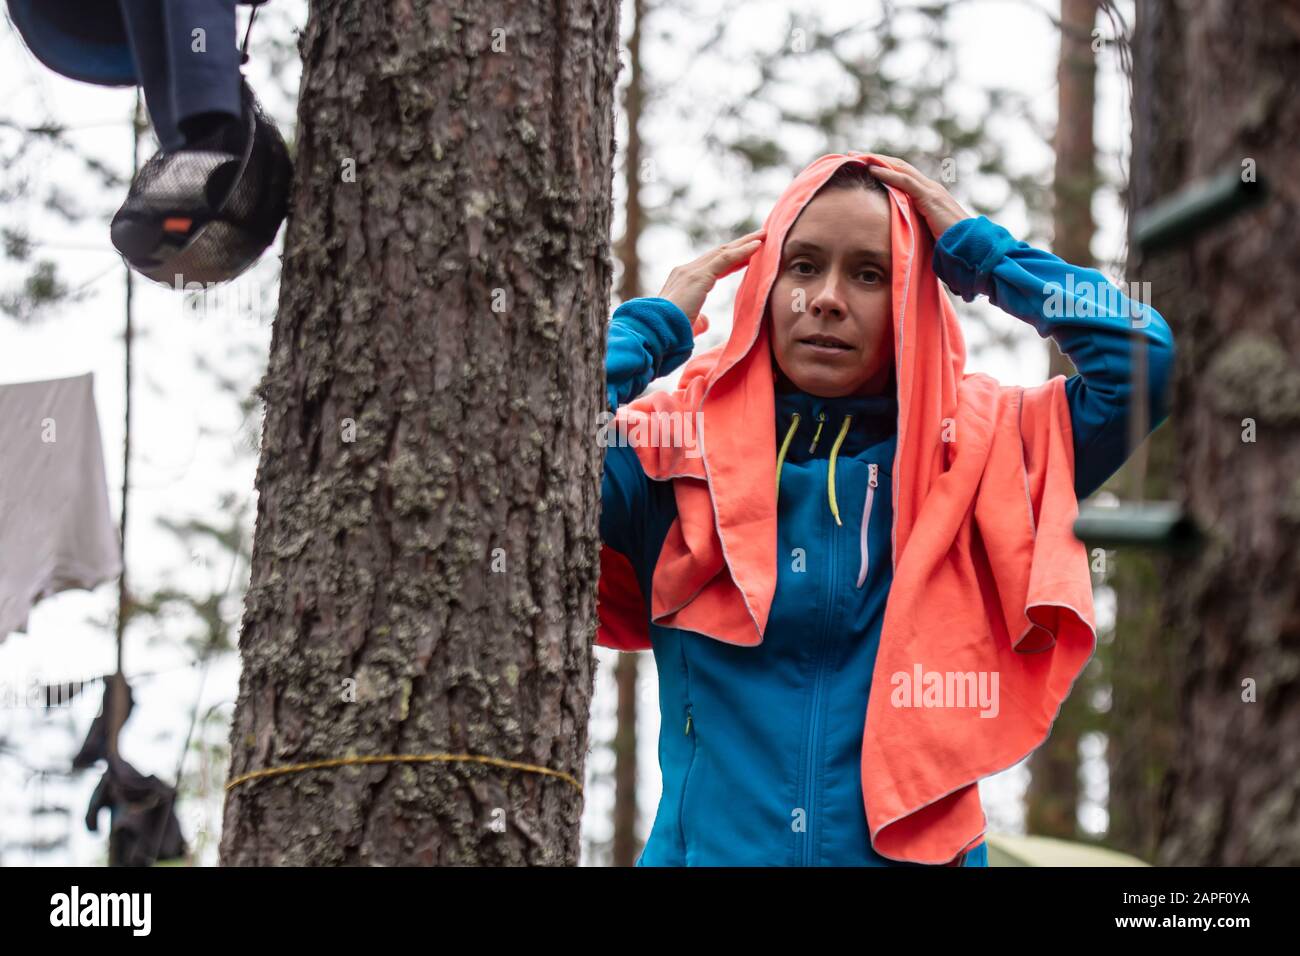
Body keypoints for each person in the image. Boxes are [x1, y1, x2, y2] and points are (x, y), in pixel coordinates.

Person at [597, 152, 1175, 866]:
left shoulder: (984, 452)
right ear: (765, 286)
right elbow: (532, 447)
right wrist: (650, 328)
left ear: (910, 295)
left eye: (869, 274)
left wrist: (982, 254)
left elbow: (1141, 362)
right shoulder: (672, 455)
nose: (828, 299)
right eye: (802, 266)